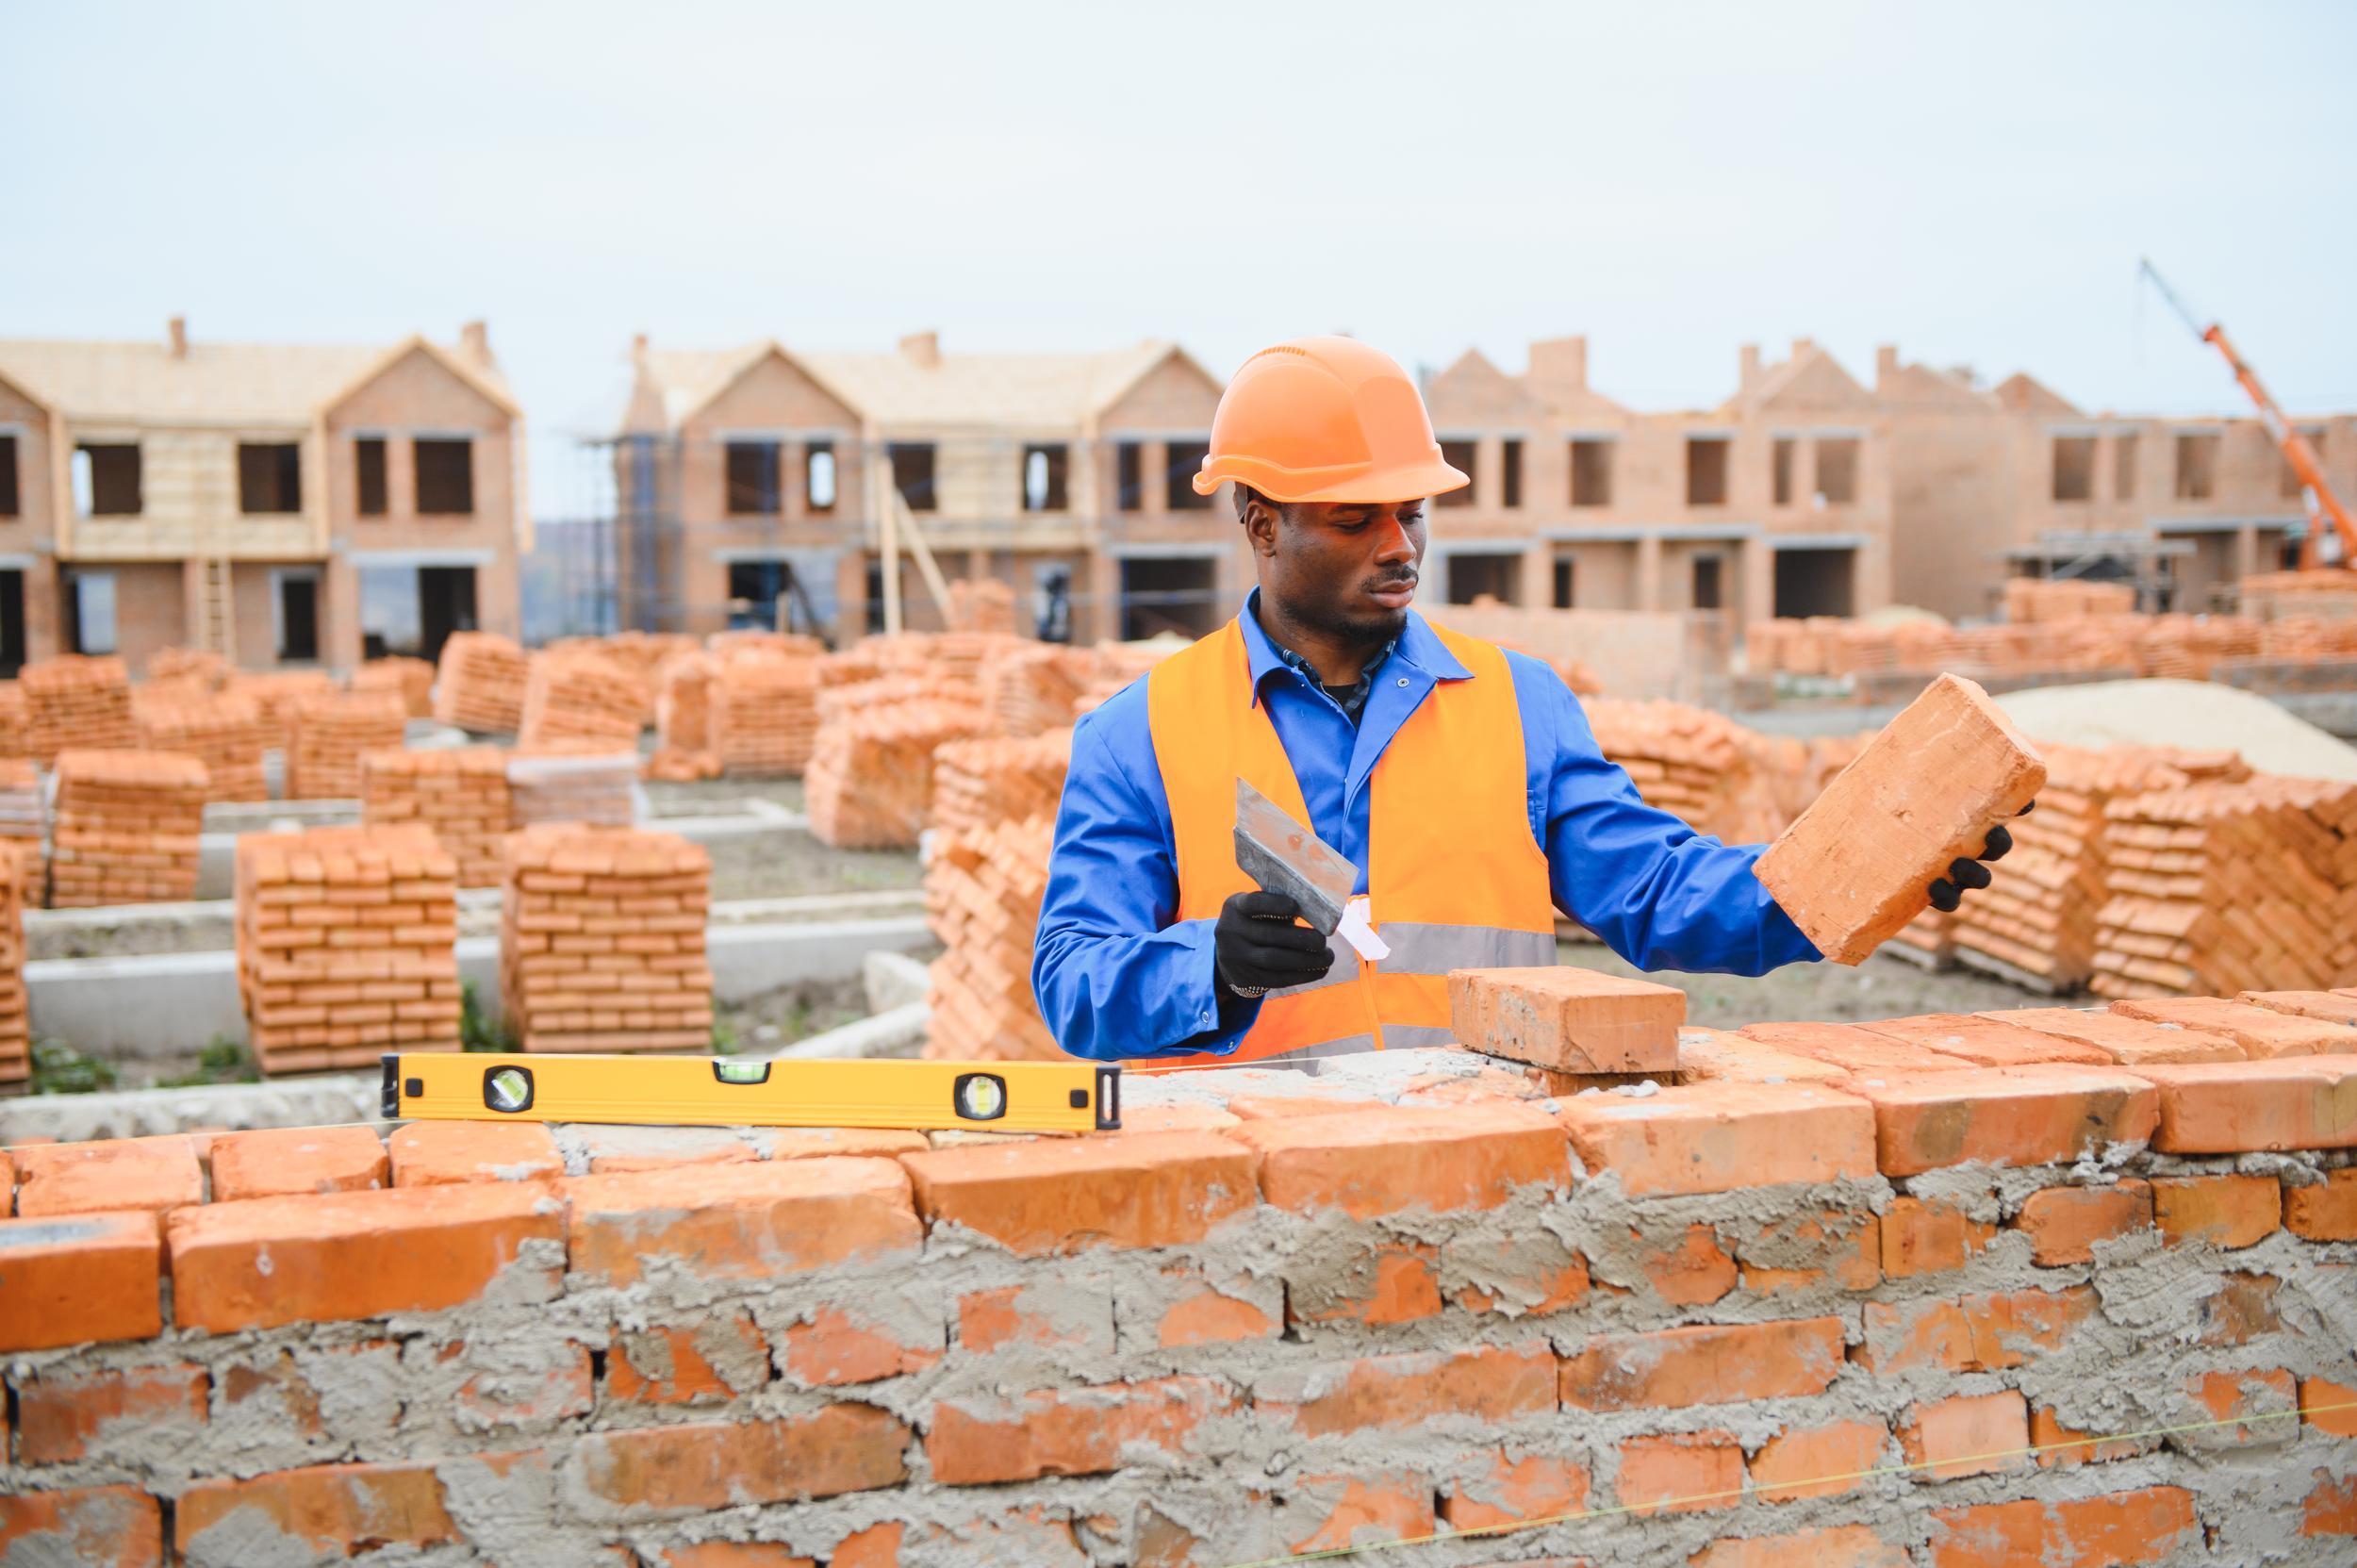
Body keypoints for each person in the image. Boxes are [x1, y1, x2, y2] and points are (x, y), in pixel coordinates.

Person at [1031, 336, 2011, 1065]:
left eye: (1411, 513)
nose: (1399, 546)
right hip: (1260, 1219)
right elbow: (1072, 981)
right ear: (1260, 523)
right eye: (1354, 517)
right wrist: (1208, 964)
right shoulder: (1137, 734)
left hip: (1485, 1194)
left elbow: (1659, 892)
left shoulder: (1517, 702)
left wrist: (1857, 874)